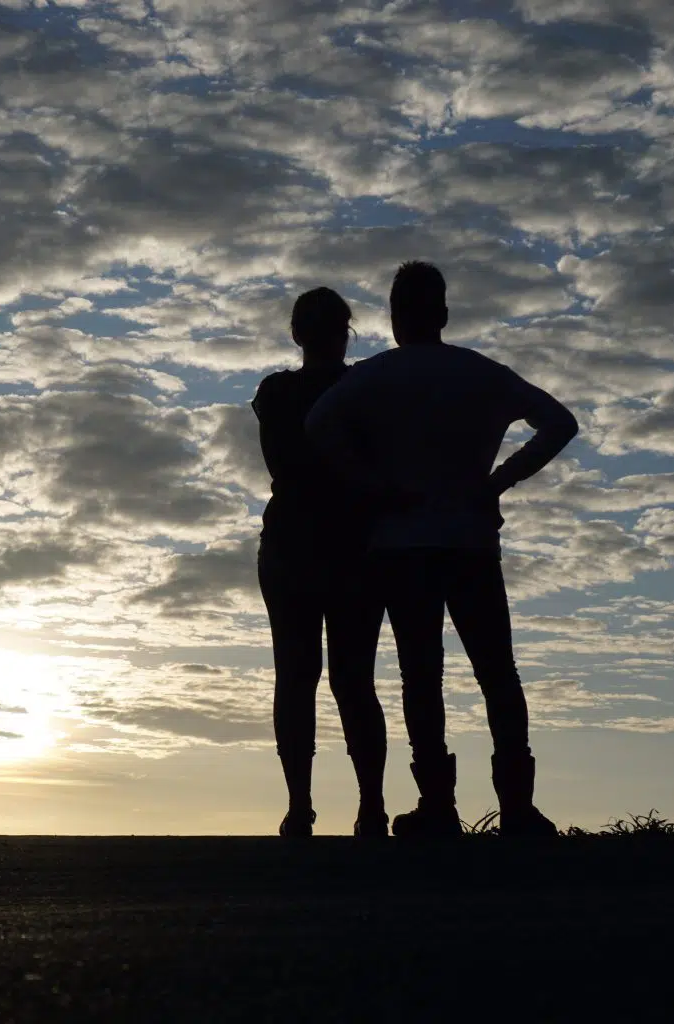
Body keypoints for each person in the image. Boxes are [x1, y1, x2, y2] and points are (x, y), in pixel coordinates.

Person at [305, 261, 578, 838]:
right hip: (471, 541)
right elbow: (559, 423)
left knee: (421, 675)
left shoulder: (375, 376)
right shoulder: (481, 373)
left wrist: (372, 485)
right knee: (497, 672)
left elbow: (318, 424)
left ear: (395, 318)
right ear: (445, 314)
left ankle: (437, 805)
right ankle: (518, 808)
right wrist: (498, 481)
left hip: (401, 545)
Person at [252, 287, 388, 839]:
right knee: (352, 679)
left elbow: (282, 464)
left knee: (297, 675)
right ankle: (370, 807)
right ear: (345, 332)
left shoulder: (277, 392)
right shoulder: (366, 389)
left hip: (295, 544)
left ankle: (302, 807)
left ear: (296, 334)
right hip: (351, 546)